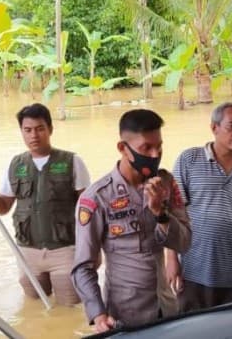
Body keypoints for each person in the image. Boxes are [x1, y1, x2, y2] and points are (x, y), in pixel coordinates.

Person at [72, 109, 192, 333]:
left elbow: (184, 242)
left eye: (159, 146)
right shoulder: (97, 198)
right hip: (124, 316)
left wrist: (161, 214)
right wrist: (98, 314)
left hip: (166, 309)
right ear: (122, 148)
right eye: (146, 148)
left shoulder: (166, 183)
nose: (155, 154)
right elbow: (83, 267)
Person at [0, 103, 90, 306]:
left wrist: (91, 250)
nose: (34, 135)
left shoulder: (72, 161)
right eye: (28, 130)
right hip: (27, 252)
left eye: (40, 129)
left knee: (69, 307)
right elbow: (4, 206)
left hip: (65, 250)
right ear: (22, 132)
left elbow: (88, 210)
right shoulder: (15, 165)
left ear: (50, 129)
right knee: (34, 306)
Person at [166, 102, 232, 312]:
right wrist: (171, 260)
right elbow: (173, 213)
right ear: (214, 128)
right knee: (193, 330)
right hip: (193, 273)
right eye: (231, 126)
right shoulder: (189, 160)